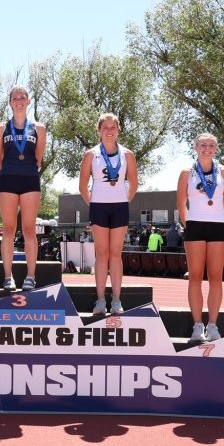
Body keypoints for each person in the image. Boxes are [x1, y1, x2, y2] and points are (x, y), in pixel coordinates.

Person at [79, 113, 138, 316]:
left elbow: (134, 183)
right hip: (99, 208)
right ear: (99, 130)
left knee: (115, 254)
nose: (109, 131)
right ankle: (101, 300)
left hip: (120, 207)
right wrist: (94, 203)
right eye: (105, 127)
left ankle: (116, 300)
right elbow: (82, 186)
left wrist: (123, 200)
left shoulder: (127, 154)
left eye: (113, 127)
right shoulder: (91, 154)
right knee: (101, 254)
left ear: (118, 129)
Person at [176, 133, 224, 342]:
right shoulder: (186, 173)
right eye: (203, 145)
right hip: (195, 226)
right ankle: (197, 326)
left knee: (216, 278)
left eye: (211, 145)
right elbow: (181, 203)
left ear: (216, 148)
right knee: (195, 277)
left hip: (217, 226)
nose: (207, 148)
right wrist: (188, 224)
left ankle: (213, 326)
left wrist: (222, 221)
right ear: (196, 147)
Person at [0, 86, 47, 290]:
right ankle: (8, 276)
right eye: (15, 97)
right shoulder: (1, 128)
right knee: (8, 229)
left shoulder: (39, 128)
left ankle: (30, 276)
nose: (19, 100)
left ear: (28, 101)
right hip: (7, 180)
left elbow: (38, 157)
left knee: (29, 229)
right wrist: (10, 168)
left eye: (22, 97)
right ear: (10, 102)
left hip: (30, 180)